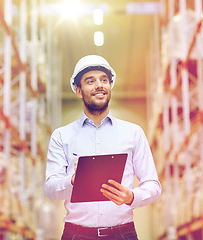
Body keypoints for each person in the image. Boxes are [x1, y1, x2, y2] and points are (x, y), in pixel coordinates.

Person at [45, 55, 161, 239]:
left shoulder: (133, 132)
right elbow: (51, 190)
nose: (99, 85)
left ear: (109, 86)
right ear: (78, 90)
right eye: (90, 81)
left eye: (104, 80)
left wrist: (131, 196)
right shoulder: (61, 136)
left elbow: (153, 186)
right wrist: (73, 180)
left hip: (122, 233)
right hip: (76, 234)